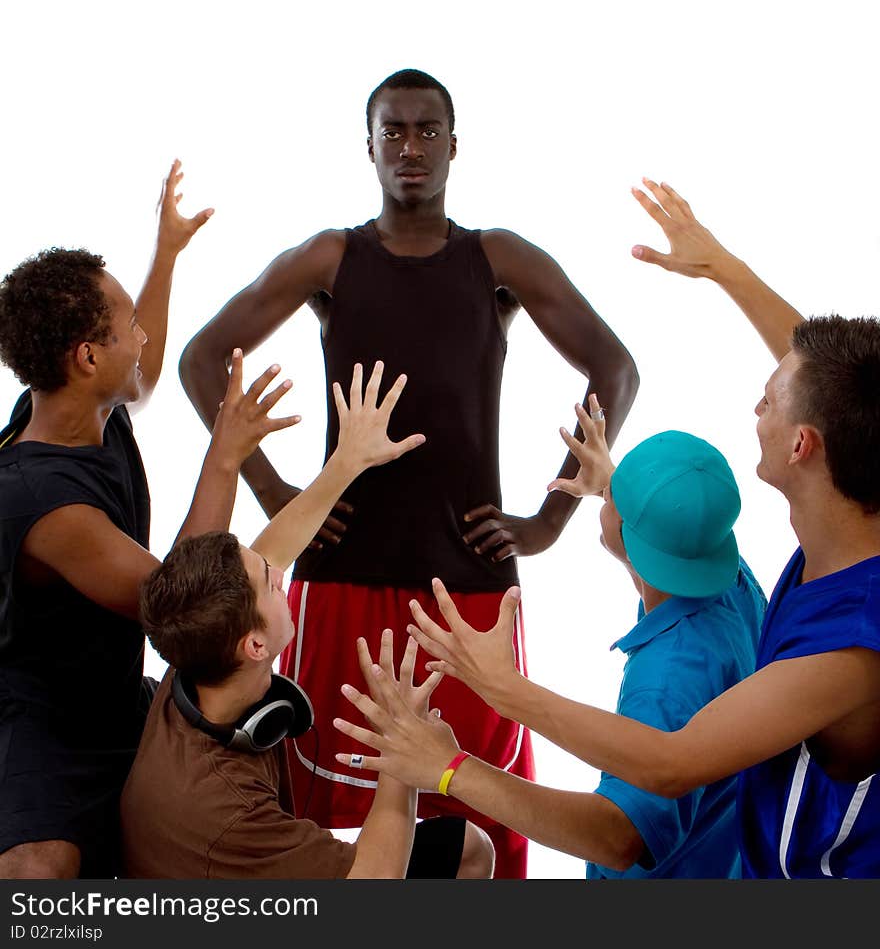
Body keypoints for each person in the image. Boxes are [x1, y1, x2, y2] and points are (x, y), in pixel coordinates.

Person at [341, 182, 880, 879]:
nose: (757, 402)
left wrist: (484, 710)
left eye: (770, 399)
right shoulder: (847, 500)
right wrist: (724, 268)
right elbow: (847, 387)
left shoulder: (845, 649)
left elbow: (669, 764)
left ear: (804, 446)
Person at [177, 68, 639, 877]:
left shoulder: (497, 258)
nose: (412, 148)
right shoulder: (334, 256)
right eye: (394, 131)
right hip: (343, 575)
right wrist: (276, 489)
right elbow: (201, 359)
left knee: (478, 806)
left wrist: (549, 518)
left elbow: (615, 367)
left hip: (466, 586)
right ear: (369, 147)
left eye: (428, 131)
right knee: (334, 807)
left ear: (455, 146)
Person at [0, 162, 302, 879]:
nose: (141, 337)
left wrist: (165, 254)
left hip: (111, 694)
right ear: (85, 357)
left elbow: (147, 362)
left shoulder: (79, 409)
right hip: (41, 720)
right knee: (43, 872)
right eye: (126, 324)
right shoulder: (41, 498)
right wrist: (224, 452)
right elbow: (177, 598)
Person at [331, 400, 766, 877]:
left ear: (628, 531)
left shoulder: (666, 681)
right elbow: (673, 532)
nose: (609, 494)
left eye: (616, 498)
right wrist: (621, 487)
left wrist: (449, 766)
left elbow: (616, 837)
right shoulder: (728, 576)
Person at [121, 362, 494, 878]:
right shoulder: (228, 811)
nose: (283, 576)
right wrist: (400, 751)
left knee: (466, 846)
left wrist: (346, 463)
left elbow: (273, 549)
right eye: (271, 582)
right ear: (254, 646)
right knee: (466, 852)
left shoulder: (193, 665)